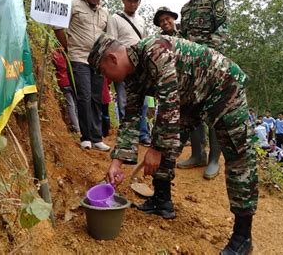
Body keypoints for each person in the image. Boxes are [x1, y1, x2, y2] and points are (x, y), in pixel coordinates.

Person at [89, 34, 258, 255]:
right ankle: (162, 201)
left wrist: (155, 148)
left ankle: (243, 236)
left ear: (112, 58)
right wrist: (117, 162)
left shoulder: (155, 50)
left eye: (103, 72)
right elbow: (130, 118)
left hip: (223, 87)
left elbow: (169, 101)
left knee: (239, 155)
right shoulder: (132, 75)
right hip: (190, 96)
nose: (106, 79)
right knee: (166, 140)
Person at [176, 0, 229, 180]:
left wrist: (206, 54)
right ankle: (198, 153)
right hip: (190, 67)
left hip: (212, 64)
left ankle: (214, 159)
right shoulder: (186, 8)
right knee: (191, 108)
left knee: (213, 111)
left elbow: (223, 29)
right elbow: (185, 35)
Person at [54, 0, 110, 151]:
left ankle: (97, 137)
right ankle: (85, 137)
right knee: (84, 97)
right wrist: (67, 47)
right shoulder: (73, 4)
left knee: (96, 99)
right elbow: (57, 27)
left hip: (97, 61)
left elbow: (108, 37)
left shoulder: (104, 12)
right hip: (78, 58)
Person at [107, 0, 151, 146]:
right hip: (123, 66)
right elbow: (111, 42)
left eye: (135, 0)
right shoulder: (115, 18)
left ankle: (143, 134)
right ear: (123, 0)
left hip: (140, 68)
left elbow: (145, 42)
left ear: (139, 2)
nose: (132, 3)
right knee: (124, 102)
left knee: (144, 103)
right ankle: (128, 137)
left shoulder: (141, 21)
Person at [52, 50, 80, 133]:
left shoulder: (56, 56)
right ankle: (79, 126)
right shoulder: (69, 56)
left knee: (71, 105)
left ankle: (76, 128)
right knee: (75, 105)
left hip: (64, 83)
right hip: (72, 82)